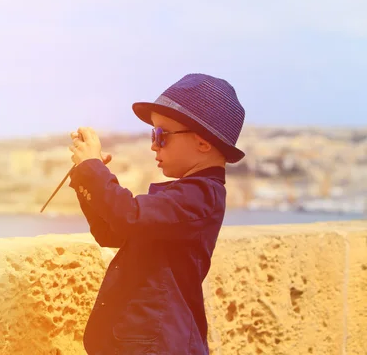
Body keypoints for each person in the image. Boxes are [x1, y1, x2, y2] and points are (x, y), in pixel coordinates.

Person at [68, 73, 246, 354]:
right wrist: (87, 178)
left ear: (203, 143)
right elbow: (111, 231)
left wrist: (93, 170)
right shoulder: (185, 195)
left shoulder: (202, 196)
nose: (153, 145)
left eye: (161, 135)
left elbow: (129, 216)